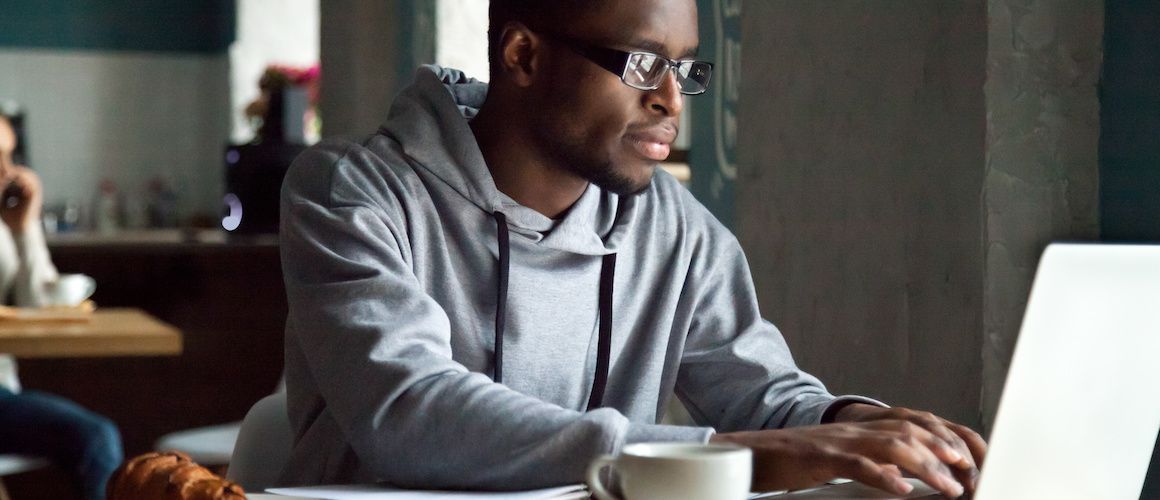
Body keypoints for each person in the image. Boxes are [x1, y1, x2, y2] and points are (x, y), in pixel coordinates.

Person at [277, 0, 986, 496]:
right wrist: (711, 459)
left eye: (685, 69)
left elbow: (761, 396)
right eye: (644, 64)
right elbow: (409, 410)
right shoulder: (352, 194)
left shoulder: (674, 228)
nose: (674, 101)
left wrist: (855, 424)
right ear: (523, 54)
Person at [0, 112, 123, 500]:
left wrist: (24, 228)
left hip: (3, 393)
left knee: (97, 439)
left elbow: (39, 306)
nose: (6, 171)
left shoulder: (5, 223)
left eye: (10, 156)